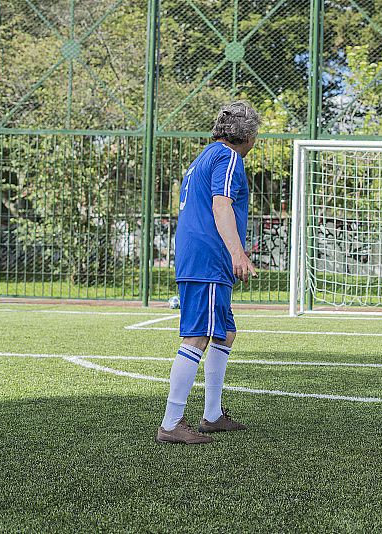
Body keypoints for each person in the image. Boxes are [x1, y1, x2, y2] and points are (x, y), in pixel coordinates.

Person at [156, 101, 262, 444]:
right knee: (199, 336)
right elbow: (221, 204)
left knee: (224, 333)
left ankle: (212, 415)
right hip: (209, 258)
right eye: (256, 133)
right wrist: (237, 253)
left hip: (195, 255)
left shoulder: (204, 156)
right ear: (246, 135)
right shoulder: (230, 157)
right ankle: (172, 423)